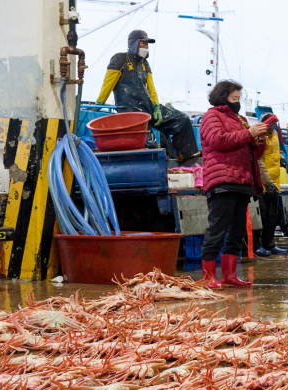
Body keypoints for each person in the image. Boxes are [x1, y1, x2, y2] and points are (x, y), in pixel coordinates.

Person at [198, 80, 269, 289]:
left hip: (242, 181)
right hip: (222, 181)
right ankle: (208, 276)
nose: (237, 102)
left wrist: (259, 140)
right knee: (217, 228)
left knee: (237, 231)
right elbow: (219, 140)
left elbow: (252, 154)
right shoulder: (211, 116)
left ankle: (229, 274)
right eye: (234, 98)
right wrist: (249, 133)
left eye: (239, 98)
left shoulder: (241, 119)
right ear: (223, 97)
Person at [97, 30, 200, 165]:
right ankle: (154, 168)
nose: (146, 46)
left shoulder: (145, 63)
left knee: (182, 119)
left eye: (147, 44)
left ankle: (185, 154)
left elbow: (151, 88)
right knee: (149, 142)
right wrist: (98, 104)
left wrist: (156, 107)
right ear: (133, 43)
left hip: (148, 107)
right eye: (143, 43)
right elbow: (108, 83)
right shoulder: (120, 58)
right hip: (131, 111)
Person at [253, 121, 288, 257]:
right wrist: (267, 183)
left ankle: (269, 243)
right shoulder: (259, 136)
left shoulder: (273, 135)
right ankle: (256, 245)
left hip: (274, 183)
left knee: (272, 216)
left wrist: (280, 157)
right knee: (260, 216)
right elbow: (259, 161)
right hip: (262, 184)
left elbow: (271, 155)